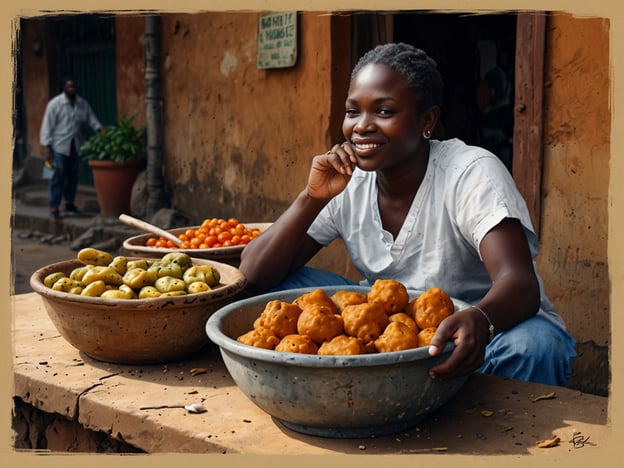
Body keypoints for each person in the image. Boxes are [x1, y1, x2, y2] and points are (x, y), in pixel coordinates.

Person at [239, 43, 576, 387]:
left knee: (535, 346)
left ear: (426, 120)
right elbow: (252, 274)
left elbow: (519, 284)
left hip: (484, 326)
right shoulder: (348, 180)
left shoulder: (470, 173)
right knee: (280, 292)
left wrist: (479, 319)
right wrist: (311, 198)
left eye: (384, 112)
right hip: (389, 328)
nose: (361, 127)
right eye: (353, 111)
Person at [40, 75, 104, 219]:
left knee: (73, 177)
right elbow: (47, 126)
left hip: (76, 146)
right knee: (58, 177)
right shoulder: (55, 104)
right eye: (69, 86)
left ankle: (69, 203)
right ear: (64, 87)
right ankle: (54, 206)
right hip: (59, 147)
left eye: (74, 86)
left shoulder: (82, 103)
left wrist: (100, 130)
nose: (72, 88)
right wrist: (47, 146)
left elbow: (91, 119)